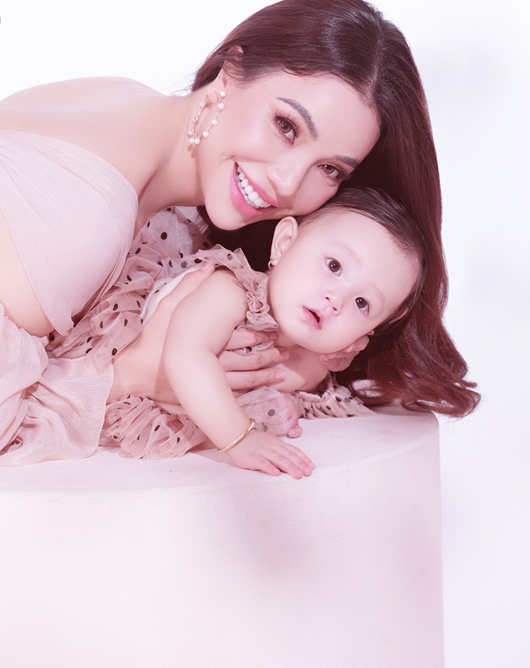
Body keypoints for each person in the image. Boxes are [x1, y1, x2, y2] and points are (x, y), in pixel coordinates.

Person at [0, 0, 478, 446]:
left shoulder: (126, 103)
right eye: (286, 126)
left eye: (330, 169)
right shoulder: (84, 223)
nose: (288, 183)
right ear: (230, 72)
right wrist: (134, 373)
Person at [0, 188, 427, 472]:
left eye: (362, 304)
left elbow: (275, 376)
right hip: (96, 347)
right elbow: (186, 354)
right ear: (284, 244)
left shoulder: (307, 351)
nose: (337, 299)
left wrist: (326, 360)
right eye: (333, 266)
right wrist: (239, 440)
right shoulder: (231, 288)